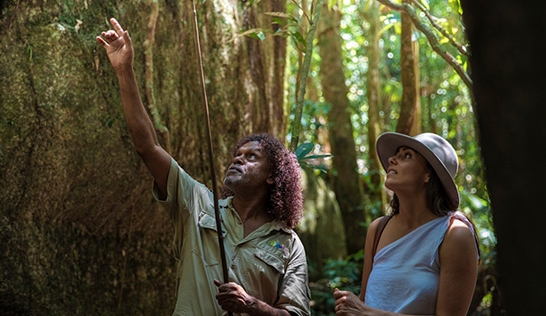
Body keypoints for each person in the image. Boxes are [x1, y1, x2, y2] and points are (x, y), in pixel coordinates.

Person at [96, 18, 310, 316]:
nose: (238, 159)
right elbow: (147, 146)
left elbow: (296, 314)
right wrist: (124, 69)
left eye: (252, 157)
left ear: (273, 178)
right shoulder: (197, 203)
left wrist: (252, 305)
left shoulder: (288, 244)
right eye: (238, 154)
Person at [332, 132, 479, 316]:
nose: (392, 159)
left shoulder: (454, 234)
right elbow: (364, 303)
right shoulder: (378, 229)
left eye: (406, 156)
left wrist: (366, 313)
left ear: (428, 174)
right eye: (396, 154)